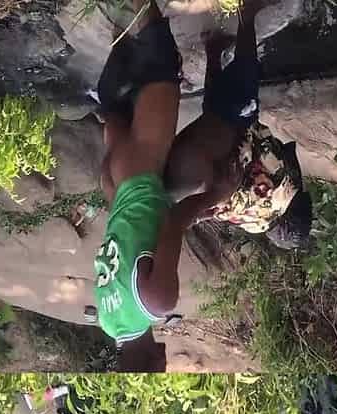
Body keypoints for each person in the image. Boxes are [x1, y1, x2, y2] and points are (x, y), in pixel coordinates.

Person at [94, 0, 237, 372]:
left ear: (154, 361)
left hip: (139, 172)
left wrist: (214, 195)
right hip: (115, 185)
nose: (167, 363)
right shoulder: (108, 322)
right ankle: (119, 39)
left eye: (163, 368)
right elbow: (132, 242)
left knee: (162, 66)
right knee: (116, 106)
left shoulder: (157, 303)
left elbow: (173, 223)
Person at [164, 1, 313, 250]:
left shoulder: (281, 192)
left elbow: (268, 146)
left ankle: (248, 13)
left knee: (246, 83)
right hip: (208, 161)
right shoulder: (245, 222)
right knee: (215, 109)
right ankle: (213, 50)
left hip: (229, 139)